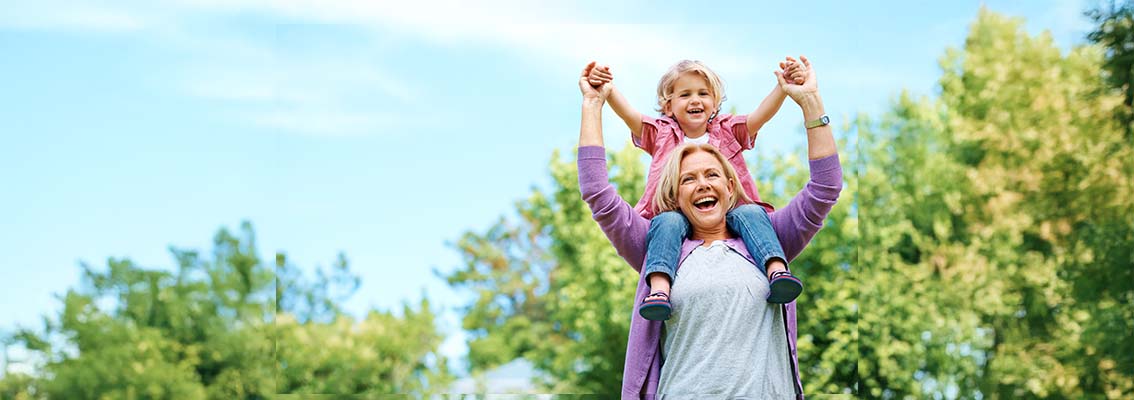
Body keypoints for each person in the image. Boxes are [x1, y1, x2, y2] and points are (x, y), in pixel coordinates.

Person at [576, 56, 842, 398]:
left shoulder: (767, 238)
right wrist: (594, 103)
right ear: (673, 193)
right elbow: (598, 193)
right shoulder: (657, 246)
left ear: (731, 186)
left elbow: (826, 187)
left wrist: (809, 101)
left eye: (713, 174)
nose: (702, 184)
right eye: (688, 179)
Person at [585, 59, 808, 321]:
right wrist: (608, 90)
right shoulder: (661, 133)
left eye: (703, 94)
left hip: (727, 213)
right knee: (666, 222)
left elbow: (760, 116)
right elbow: (630, 116)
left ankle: (777, 271)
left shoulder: (727, 131)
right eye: (685, 94)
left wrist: (783, 88)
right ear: (668, 106)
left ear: (714, 102)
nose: (695, 100)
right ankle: (658, 291)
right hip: (675, 213)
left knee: (752, 213)